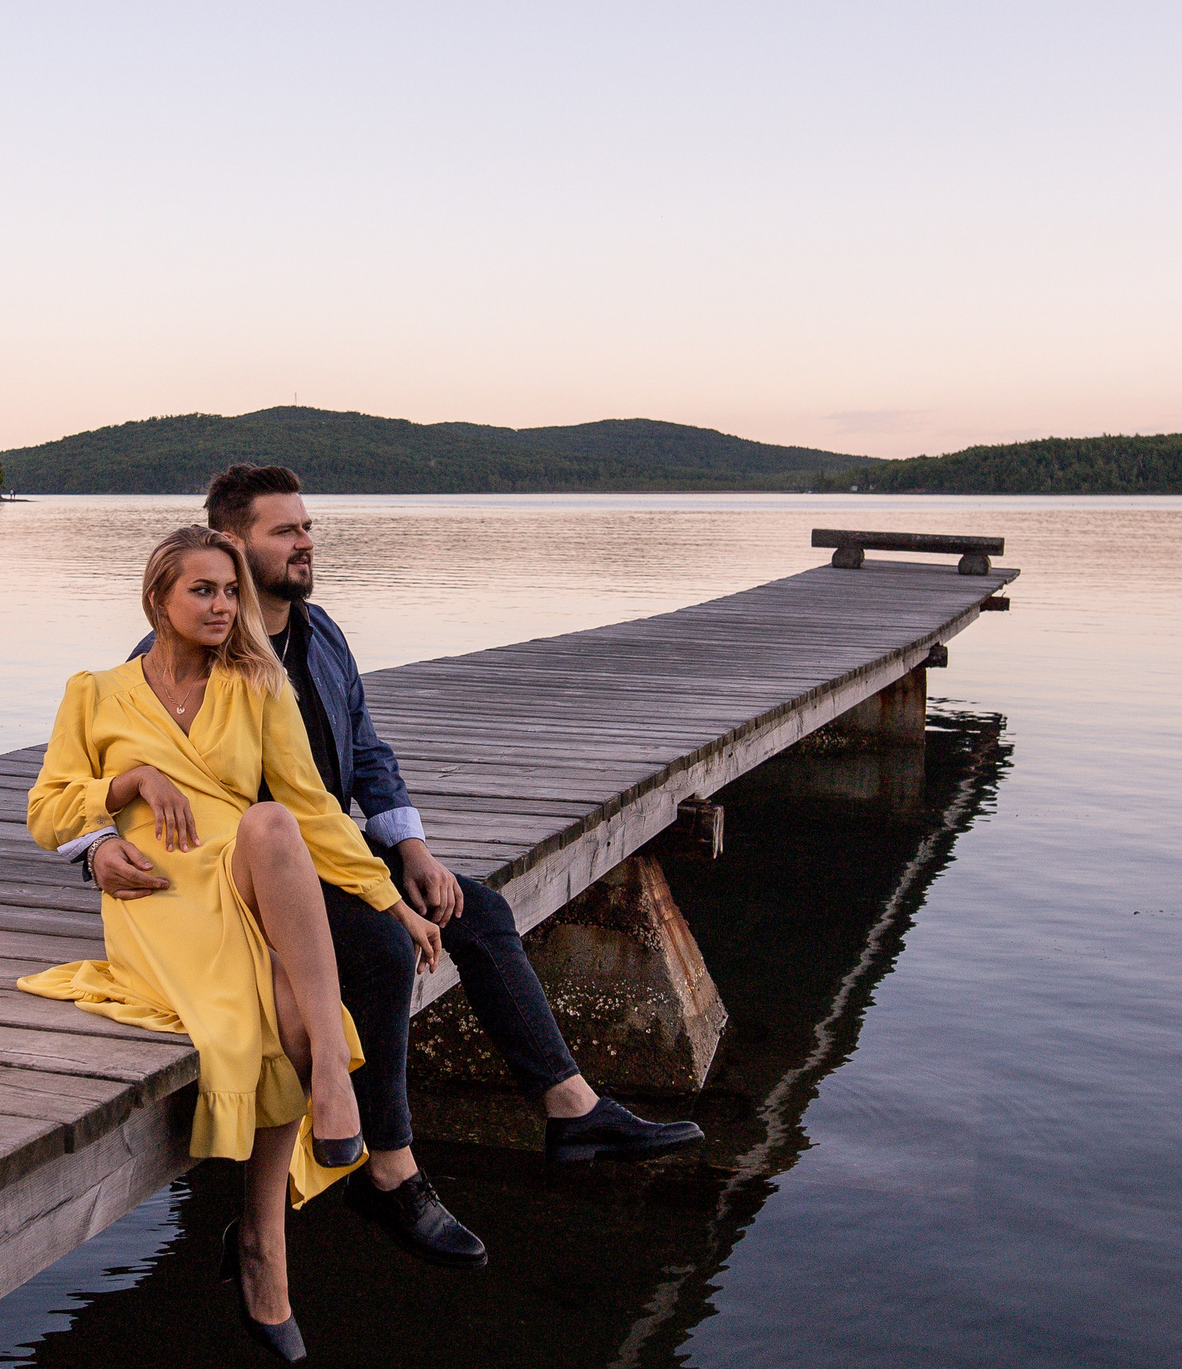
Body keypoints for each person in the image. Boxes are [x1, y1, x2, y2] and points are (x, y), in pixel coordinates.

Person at [63, 464, 703, 1272]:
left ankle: (571, 1107)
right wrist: (95, 846)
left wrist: (412, 850)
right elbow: (98, 770)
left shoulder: (319, 633)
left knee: (478, 910)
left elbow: (365, 751)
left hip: (334, 847)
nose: (305, 543)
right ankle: (390, 1168)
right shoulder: (176, 651)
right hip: (239, 880)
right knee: (383, 948)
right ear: (228, 545)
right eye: (284, 531)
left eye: (306, 528)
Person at [18, 524, 445, 1364]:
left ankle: (331, 1078)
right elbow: (47, 809)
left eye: (229, 592)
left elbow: (316, 809)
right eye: (202, 591)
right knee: (282, 1012)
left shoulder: (258, 683)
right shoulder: (95, 692)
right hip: (159, 889)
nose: (221, 605)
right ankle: (262, 1240)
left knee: (276, 817)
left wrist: (391, 898)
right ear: (158, 601)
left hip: (246, 864)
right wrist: (122, 798)